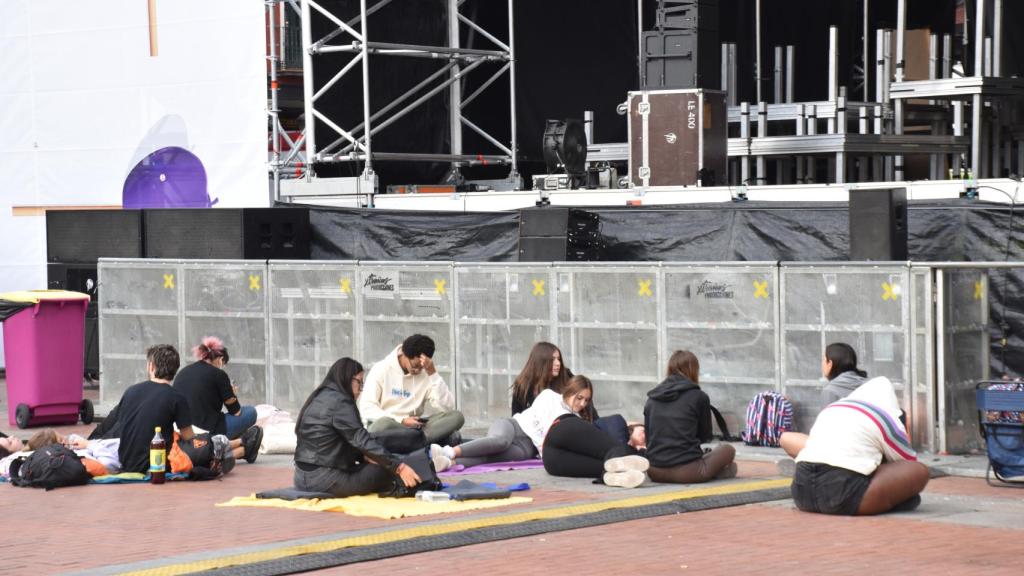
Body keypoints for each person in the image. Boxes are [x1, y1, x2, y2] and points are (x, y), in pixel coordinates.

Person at [791, 375, 929, 515]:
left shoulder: (831, 408)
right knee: (919, 470)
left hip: (801, 493)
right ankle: (887, 501)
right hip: (845, 496)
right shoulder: (884, 418)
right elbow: (906, 461)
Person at [294, 357, 420, 497]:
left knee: (378, 461)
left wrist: (364, 456)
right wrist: (399, 467)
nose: (360, 390)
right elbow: (360, 439)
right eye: (359, 382)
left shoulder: (317, 397)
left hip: (301, 478)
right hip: (323, 480)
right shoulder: (341, 401)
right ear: (347, 379)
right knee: (383, 470)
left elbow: (330, 440)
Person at [644, 350, 737, 484]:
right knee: (728, 450)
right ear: (694, 370)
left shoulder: (652, 399)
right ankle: (720, 471)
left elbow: (649, 438)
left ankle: (718, 471)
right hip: (689, 472)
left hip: (654, 471)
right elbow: (705, 436)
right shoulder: (699, 397)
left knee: (708, 457)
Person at [539, 375, 650, 488]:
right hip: (561, 428)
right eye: (579, 397)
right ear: (570, 390)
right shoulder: (550, 397)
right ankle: (643, 456)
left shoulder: (586, 412)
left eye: (586, 400)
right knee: (617, 449)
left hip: (551, 462)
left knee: (605, 466)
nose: (583, 404)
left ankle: (612, 476)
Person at [106, 344, 197, 474]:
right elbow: (189, 437)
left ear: (151, 366)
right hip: (156, 463)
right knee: (203, 446)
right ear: (175, 369)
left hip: (126, 461)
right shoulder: (177, 397)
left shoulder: (130, 391)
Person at [358, 334, 464, 446]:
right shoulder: (381, 369)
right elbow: (367, 408)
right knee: (382, 425)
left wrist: (433, 374)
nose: (417, 370)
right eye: (414, 365)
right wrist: (402, 420)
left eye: (421, 367)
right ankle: (420, 442)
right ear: (404, 354)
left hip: (416, 428)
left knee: (457, 417)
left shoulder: (426, 373)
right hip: (390, 426)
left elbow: (447, 407)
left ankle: (414, 441)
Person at [779, 342, 870, 460]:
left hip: (843, 451)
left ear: (830, 364)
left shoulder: (831, 391)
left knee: (786, 438)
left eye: (824, 360)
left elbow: (825, 432)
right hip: (870, 448)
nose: (822, 364)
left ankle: (809, 465)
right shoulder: (869, 384)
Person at [173, 336, 260, 442]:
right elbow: (236, 412)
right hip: (207, 431)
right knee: (250, 412)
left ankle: (232, 445)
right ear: (221, 360)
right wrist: (232, 394)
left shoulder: (183, 372)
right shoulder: (219, 374)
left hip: (182, 430)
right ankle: (234, 444)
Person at [511, 342, 569, 414]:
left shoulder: (566, 377)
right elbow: (516, 417)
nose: (558, 363)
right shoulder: (523, 386)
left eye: (559, 359)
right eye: (552, 359)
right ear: (541, 362)